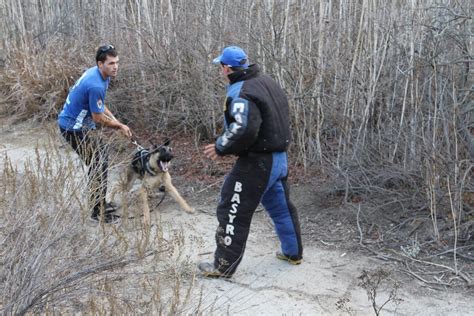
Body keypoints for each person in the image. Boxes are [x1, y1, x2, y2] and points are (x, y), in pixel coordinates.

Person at [198, 46, 303, 278]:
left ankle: (223, 266)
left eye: (220, 67)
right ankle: (293, 253)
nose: (220, 71)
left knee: (231, 208)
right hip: (279, 159)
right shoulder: (266, 81)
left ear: (226, 68)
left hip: (258, 162)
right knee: (282, 208)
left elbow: (244, 128)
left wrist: (220, 147)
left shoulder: (241, 91)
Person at [58, 44, 132, 224]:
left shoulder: (100, 75)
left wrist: (115, 119)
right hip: (72, 129)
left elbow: (99, 105)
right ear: (100, 64)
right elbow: (97, 117)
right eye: (111, 63)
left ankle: (99, 204)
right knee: (98, 163)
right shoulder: (95, 84)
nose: (115, 67)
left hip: (79, 126)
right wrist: (119, 126)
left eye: (117, 62)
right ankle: (97, 213)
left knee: (98, 162)